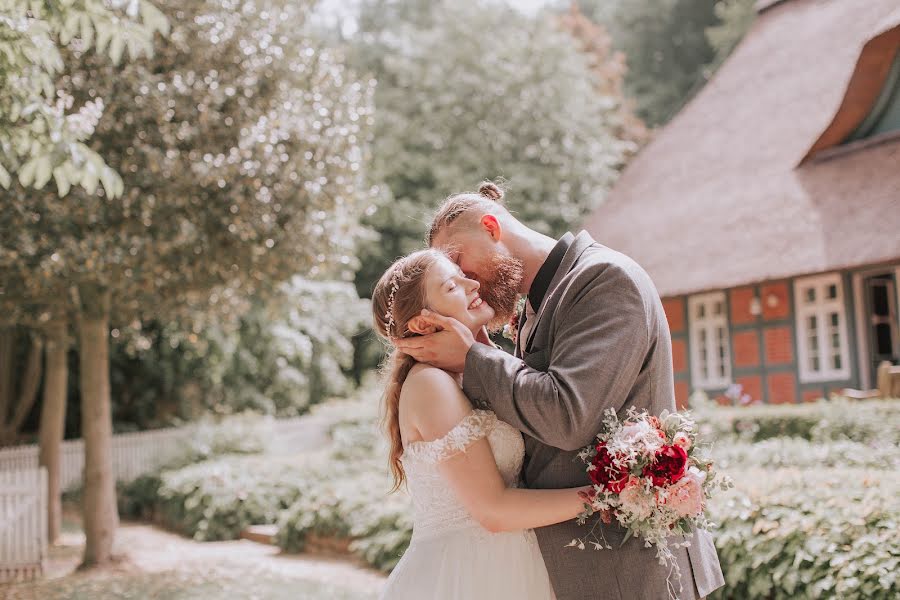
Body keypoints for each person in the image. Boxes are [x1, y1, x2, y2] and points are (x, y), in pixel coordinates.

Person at [393, 181, 725, 600]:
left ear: (492, 226)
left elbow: (568, 417)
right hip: (576, 566)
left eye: (459, 261)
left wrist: (472, 359)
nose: (465, 279)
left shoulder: (604, 279)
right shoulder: (534, 307)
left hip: (630, 570)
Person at [371, 248, 591, 600]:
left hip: (515, 566)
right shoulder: (431, 385)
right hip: (466, 574)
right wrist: (605, 497)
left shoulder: (472, 372)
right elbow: (493, 510)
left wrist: (481, 350)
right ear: (423, 323)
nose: (472, 283)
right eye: (452, 286)